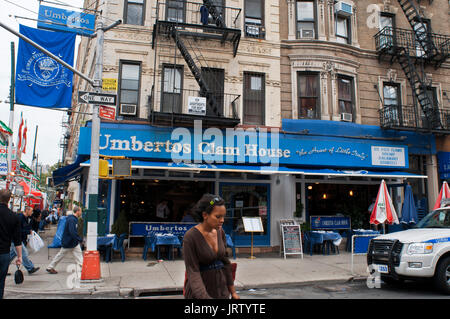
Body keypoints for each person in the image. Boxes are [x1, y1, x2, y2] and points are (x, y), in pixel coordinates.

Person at [182, 194, 239, 299]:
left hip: (221, 291)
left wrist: (233, 291)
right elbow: (193, 272)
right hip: (200, 293)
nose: (222, 220)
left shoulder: (220, 232)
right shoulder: (190, 237)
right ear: (205, 215)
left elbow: (225, 262)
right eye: (218, 216)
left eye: (223, 216)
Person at [46, 206, 84, 274]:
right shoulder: (73, 220)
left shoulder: (71, 219)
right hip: (70, 241)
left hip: (70, 241)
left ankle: (50, 267)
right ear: (77, 211)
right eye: (80, 211)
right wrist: (79, 239)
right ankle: (50, 267)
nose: (81, 212)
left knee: (75, 255)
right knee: (64, 255)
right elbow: (72, 231)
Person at [0, 189, 22, 299]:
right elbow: (17, 240)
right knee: (1, 281)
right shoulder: (13, 217)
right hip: (4, 253)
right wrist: (19, 256)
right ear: (9, 200)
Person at [9, 206, 40, 275]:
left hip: (18, 239)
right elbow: (18, 230)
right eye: (31, 211)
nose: (32, 213)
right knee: (24, 253)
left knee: (11, 255)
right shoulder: (20, 218)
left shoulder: (26, 218)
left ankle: (3, 267)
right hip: (16, 239)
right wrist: (28, 231)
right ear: (27, 210)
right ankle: (30, 268)